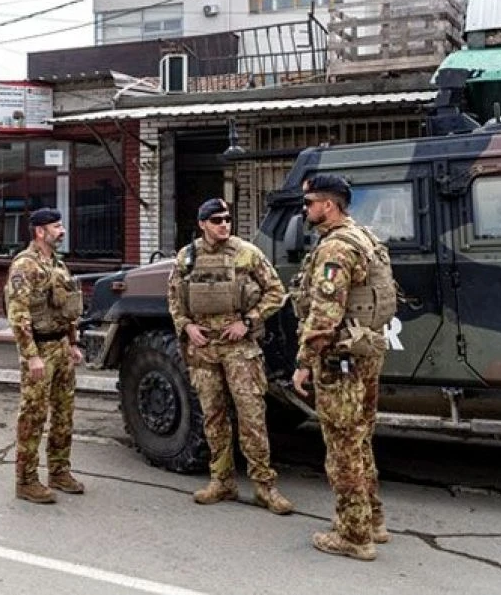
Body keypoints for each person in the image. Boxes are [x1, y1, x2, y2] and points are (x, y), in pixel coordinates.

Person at [291, 174, 396, 562]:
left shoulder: (335, 249)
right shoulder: (365, 237)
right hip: (366, 351)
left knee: (342, 445)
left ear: (328, 205)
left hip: (340, 358)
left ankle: (354, 536)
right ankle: (373, 521)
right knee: (361, 437)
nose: (306, 210)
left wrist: (304, 363)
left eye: (309, 203)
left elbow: (324, 316)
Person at [167, 198, 293, 514]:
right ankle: (221, 480)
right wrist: (186, 327)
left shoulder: (246, 253)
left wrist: (248, 321)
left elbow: (277, 292)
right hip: (204, 349)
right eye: (217, 220)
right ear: (202, 224)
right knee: (213, 415)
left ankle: (264, 485)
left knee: (251, 415)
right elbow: (174, 298)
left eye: (227, 219)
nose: (224, 224)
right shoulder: (187, 258)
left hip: (239, 348)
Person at [6, 207, 85, 504]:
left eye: (61, 226)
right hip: (39, 350)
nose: (62, 231)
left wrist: (73, 343)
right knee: (33, 415)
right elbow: (18, 313)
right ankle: (26, 480)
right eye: (56, 227)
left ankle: (59, 471)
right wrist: (31, 356)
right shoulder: (25, 266)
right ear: (40, 232)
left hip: (61, 347)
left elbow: (67, 309)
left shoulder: (58, 265)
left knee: (64, 414)